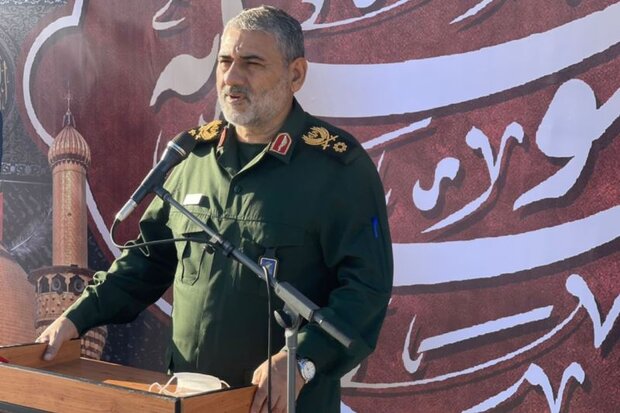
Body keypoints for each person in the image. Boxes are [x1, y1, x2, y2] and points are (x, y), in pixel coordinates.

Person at [37, 6, 393, 413]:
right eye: (225, 61)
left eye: (252, 63)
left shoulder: (339, 168)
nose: (232, 77)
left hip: (281, 404)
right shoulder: (192, 157)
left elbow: (366, 291)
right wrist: (75, 318)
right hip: (189, 399)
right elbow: (146, 261)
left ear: (295, 75)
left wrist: (303, 361)